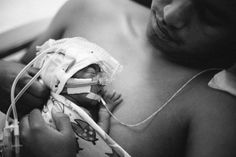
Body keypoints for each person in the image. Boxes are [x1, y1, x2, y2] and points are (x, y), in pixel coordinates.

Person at [1, 0, 236, 156]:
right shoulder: (91, 8)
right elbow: (21, 68)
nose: (170, 15)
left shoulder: (218, 112)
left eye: (210, 16)